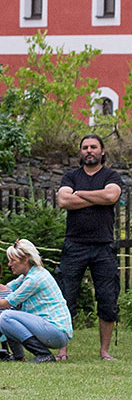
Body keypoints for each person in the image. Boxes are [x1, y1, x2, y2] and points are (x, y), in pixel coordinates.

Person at [55, 134, 122, 360]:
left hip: (104, 246)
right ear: (80, 152)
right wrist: (98, 197)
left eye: (93, 147)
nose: (89, 150)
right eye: (85, 147)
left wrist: (80, 194)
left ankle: (104, 351)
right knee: (66, 297)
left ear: (102, 151)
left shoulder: (111, 175)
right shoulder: (70, 176)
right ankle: (62, 350)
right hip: (74, 245)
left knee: (107, 298)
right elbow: (64, 201)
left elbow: (112, 195)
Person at [0, 239, 74, 363]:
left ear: (25, 259)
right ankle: (19, 356)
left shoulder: (34, 279)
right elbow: (6, 288)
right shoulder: (28, 275)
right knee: (7, 317)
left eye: (13, 260)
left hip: (56, 332)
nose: (9, 264)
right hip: (51, 329)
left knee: (6, 316)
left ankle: (44, 355)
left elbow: (5, 303)